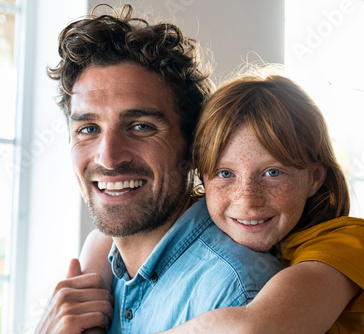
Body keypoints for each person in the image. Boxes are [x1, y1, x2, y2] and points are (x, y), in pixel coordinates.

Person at [84, 67, 364, 333]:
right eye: (225, 173)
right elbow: (104, 236)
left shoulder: (350, 242)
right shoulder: (205, 214)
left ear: (314, 178)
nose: (248, 200)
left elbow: (252, 328)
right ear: (201, 176)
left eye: (273, 172)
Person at [35, 4, 283, 334]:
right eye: (88, 129)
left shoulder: (234, 291)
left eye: (140, 127)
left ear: (195, 149)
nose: (108, 158)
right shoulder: (99, 272)